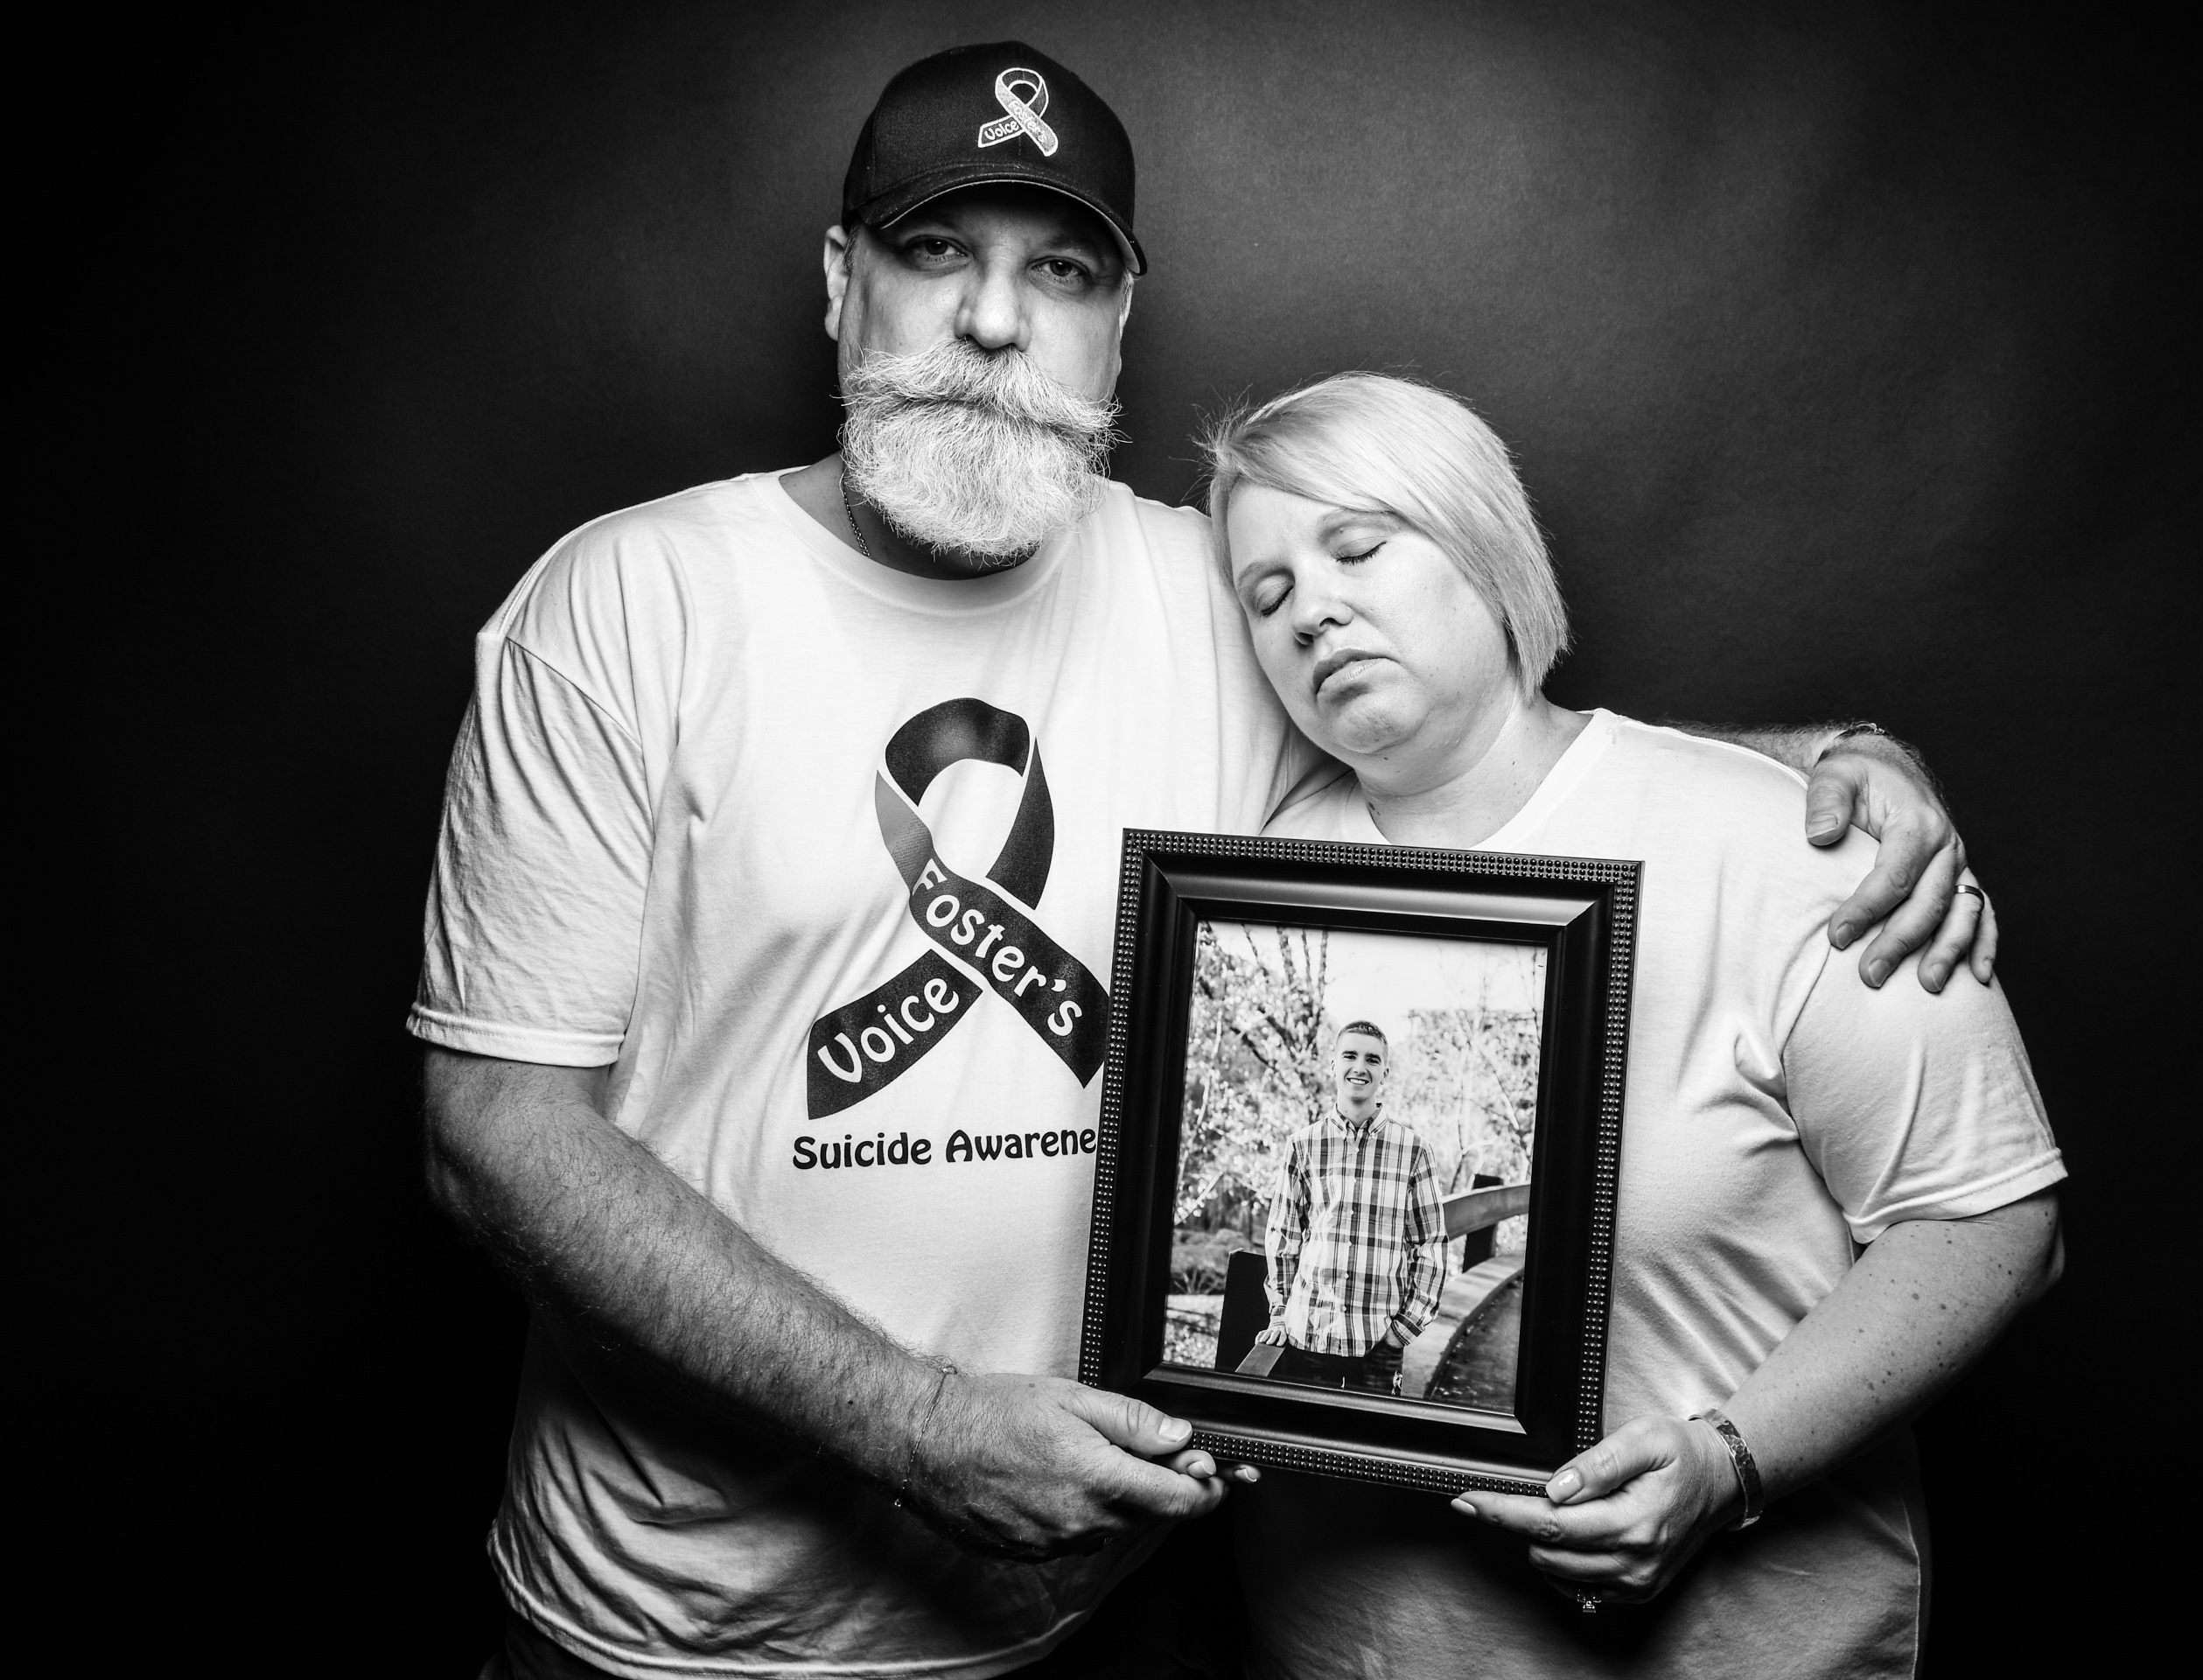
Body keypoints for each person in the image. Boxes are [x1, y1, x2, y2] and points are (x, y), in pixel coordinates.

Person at [416, 42, 1998, 1680]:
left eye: (1063, 268)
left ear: (1118, 323)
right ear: (839, 282)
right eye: (937, 251)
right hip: (684, 1625)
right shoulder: (627, 603)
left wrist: (1818, 764)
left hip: (1091, 1611)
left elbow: (1485, 737)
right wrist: (915, 1422)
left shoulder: (1213, 592)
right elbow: (494, 1130)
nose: (993, 318)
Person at [1202, 373, 2065, 1678]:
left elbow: (1995, 1219)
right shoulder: (1241, 892)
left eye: (1359, 547)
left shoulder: (1784, 847)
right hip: (1342, 1649)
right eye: (1266, 597)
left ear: (1484, 546)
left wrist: (1729, 1462)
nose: (1312, 608)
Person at [1254, 1022, 1447, 1396]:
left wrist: (1403, 1329)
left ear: (1384, 1073)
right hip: (1308, 1335)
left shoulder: (1414, 1150)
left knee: (1373, 1448)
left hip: (1378, 1341)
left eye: (1372, 1059)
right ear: (1332, 1065)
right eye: (1350, 1055)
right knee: (1304, 1444)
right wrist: (1279, 1312)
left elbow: (1431, 1243)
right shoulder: (1303, 1145)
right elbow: (1284, 1236)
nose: (1360, 1066)